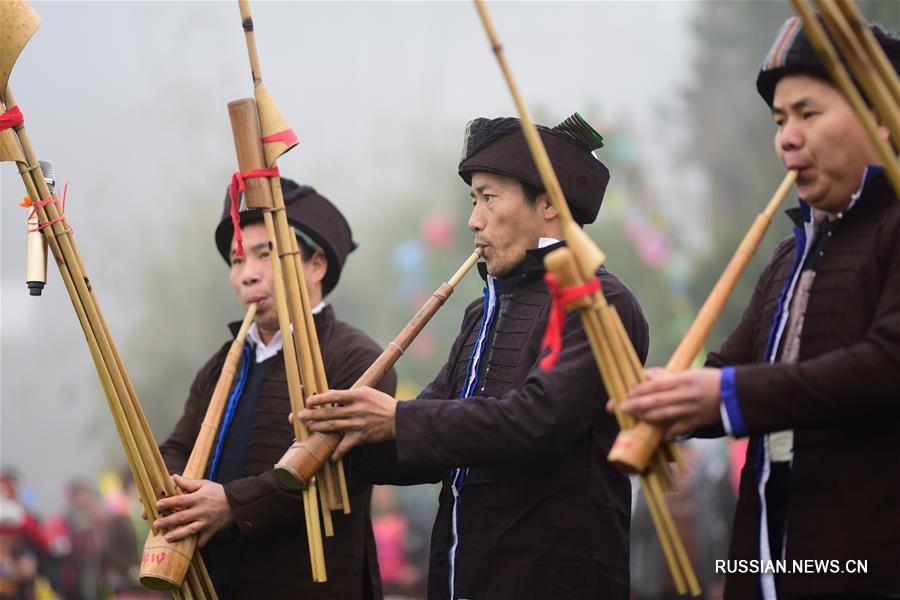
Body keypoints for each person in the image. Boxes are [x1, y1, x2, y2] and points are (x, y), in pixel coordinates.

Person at [298, 114, 649, 599]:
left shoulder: (599, 301)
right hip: (459, 577)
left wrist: (398, 418)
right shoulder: (481, 311)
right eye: (473, 200)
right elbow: (433, 439)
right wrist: (343, 443)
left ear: (547, 205)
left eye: (489, 197)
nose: (474, 220)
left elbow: (538, 421)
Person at [620, 17, 900, 600]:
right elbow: (731, 365)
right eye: (779, 121)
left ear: (880, 113)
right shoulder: (787, 255)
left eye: (809, 113)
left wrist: (724, 395)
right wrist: (667, 398)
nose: (787, 138)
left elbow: (884, 366)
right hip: (766, 553)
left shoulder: (892, 232)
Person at [156, 179, 397, 598]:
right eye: (236, 260)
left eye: (265, 254)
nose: (247, 275)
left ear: (316, 265)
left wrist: (231, 503)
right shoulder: (221, 364)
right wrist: (170, 492)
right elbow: (179, 445)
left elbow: (331, 471)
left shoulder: (356, 358)